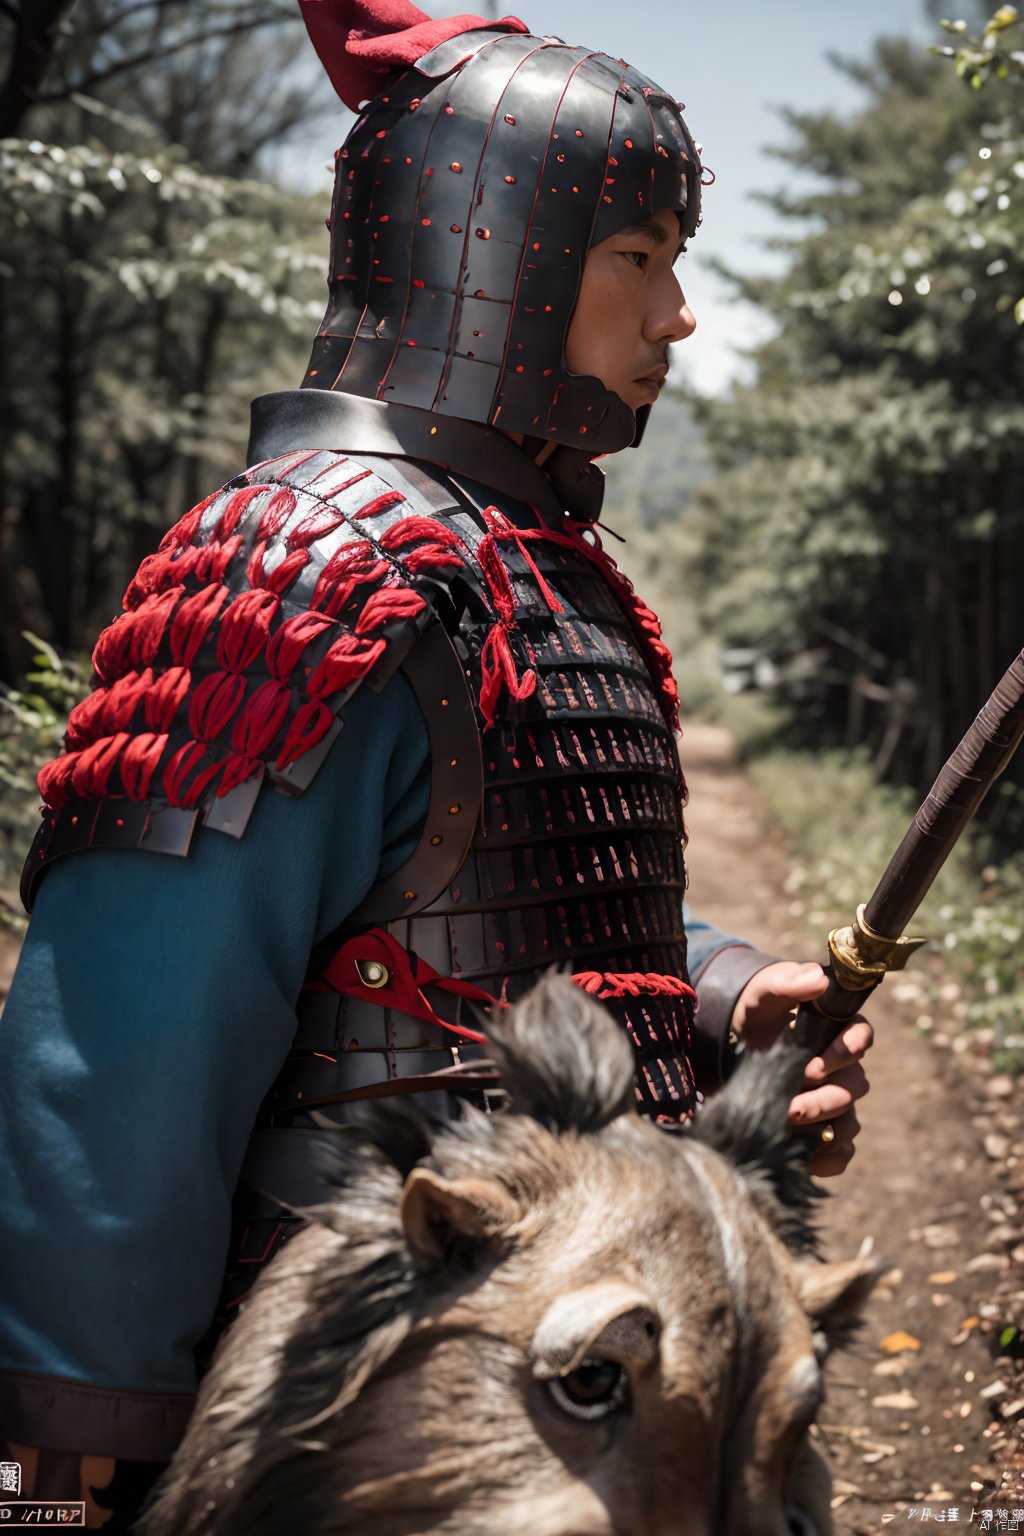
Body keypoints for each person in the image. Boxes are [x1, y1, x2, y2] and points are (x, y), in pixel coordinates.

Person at [0, 0, 872, 1525]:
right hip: (351, 1379)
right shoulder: (303, 556)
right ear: (498, 248)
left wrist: (725, 991)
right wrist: (78, 1400)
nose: (677, 318)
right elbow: (124, 1039)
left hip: (583, 1356)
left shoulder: (541, 565)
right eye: (640, 259)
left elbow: (501, 907)